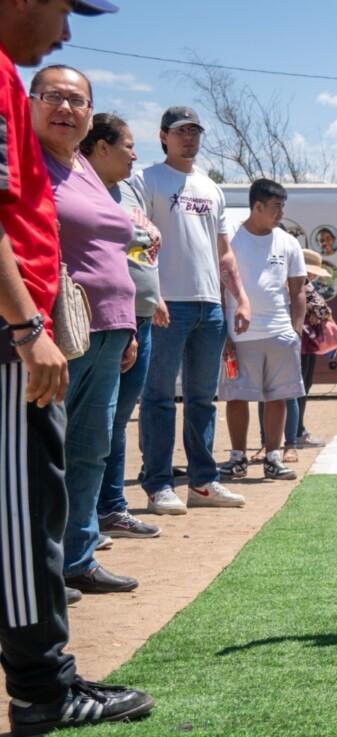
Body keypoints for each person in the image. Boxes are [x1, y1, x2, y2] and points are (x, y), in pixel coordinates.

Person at [0, 0, 156, 731]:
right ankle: (42, 687)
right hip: (19, 338)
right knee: (26, 512)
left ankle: (46, 676)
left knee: (46, 494)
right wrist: (28, 326)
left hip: (48, 332)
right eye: (63, 11)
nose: (63, 30)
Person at [33, 65, 144, 595]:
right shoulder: (27, 165)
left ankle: (77, 558)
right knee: (41, 454)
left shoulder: (82, 168)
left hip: (110, 330)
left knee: (90, 448)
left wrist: (128, 326)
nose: (66, 109)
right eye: (53, 97)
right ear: (29, 103)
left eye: (78, 101)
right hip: (55, 331)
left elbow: (113, 246)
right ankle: (36, 569)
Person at [133, 105, 250, 514]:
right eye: (181, 131)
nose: (189, 138)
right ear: (163, 135)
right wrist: (153, 294)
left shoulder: (211, 187)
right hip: (167, 305)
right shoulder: (146, 179)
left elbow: (224, 253)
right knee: (159, 398)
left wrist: (240, 298)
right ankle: (158, 484)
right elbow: (137, 244)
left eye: (195, 131)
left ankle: (203, 482)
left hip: (208, 306)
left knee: (203, 398)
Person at [80, 112, 163, 544]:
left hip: (139, 318)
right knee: (93, 426)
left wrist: (155, 297)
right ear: (101, 147)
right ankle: (86, 521)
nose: (135, 153)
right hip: (101, 323)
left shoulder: (126, 189)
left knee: (116, 421)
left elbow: (136, 253)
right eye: (128, 145)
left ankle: (110, 509)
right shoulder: (79, 187)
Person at [214, 179, 305, 484]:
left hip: (279, 332)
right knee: (237, 397)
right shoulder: (231, 238)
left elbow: (298, 290)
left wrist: (296, 329)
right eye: (275, 206)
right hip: (239, 333)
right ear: (257, 206)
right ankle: (238, 458)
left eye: (282, 206)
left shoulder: (288, 242)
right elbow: (219, 285)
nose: (280, 213)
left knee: (277, 397)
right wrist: (223, 332)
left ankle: (273, 457)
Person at [296, 248, 332, 447]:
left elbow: (323, 309)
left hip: (306, 343)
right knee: (299, 388)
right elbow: (321, 308)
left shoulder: (305, 285)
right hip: (299, 343)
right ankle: (296, 432)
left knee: (303, 387)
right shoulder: (297, 284)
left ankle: (297, 430)